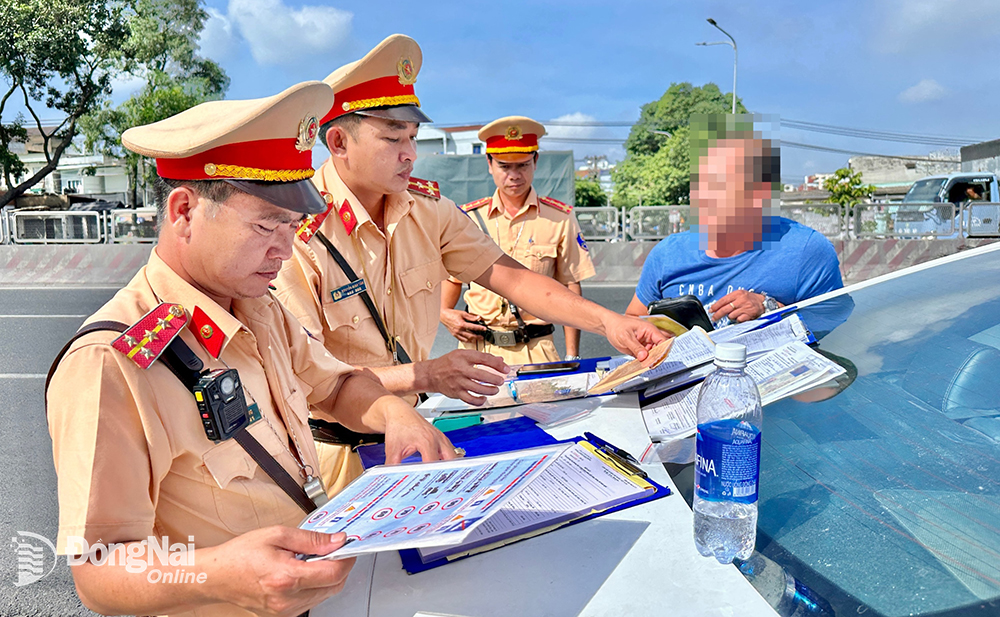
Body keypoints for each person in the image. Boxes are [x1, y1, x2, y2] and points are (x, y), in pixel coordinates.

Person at [46, 81, 455, 617]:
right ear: (184, 211)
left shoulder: (259, 308)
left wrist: (395, 414)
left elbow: (333, 384)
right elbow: (99, 572)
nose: (284, 251)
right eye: (266, 224)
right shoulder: (111, 362)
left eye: (292, 225)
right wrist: (214, 575)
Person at [272, 34, 664, 426]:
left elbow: (511, 277)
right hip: (338, 453)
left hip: (416, 428)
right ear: (338, 142)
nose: (410, 153)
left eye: (412, 137)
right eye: (393, 138)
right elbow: (309, 375)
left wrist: (609, 322)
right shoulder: (294, 232)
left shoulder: (428, 211)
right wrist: (426, 375)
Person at [625, 133, 843, 324]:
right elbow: (633, 319)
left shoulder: (806, 250)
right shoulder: (668, 254)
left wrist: (770, 309)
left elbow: (838, 326)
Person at [439, 116, 596, 364]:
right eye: (504, 166)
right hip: (479, 350)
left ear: (535, 161)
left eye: (522, 165)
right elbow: (451, 280)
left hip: (537, 349)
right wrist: (444, 314)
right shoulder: (469, 218)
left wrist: (572, 356)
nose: (514, 175)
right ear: (489, 164)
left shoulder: (559, 218)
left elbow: (570, 287)